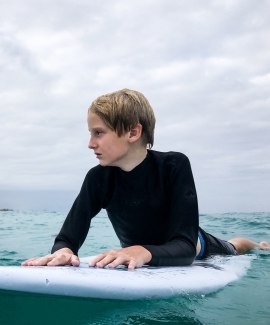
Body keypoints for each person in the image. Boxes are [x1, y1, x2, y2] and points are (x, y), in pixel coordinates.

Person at [22, 89, 269, 269]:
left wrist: (142, 251)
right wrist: (64, 251)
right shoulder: (99, 178)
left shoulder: (173, 166)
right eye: (90, 133)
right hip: (140, 253)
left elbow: (184, 247)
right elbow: (68, 236)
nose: (90, 144)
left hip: (197, 246)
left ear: (133, 132)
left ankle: (258, 245)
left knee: (234, 247)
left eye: (99, 133)